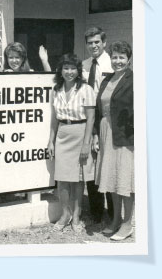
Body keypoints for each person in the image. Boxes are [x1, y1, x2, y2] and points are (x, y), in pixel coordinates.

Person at [48, 53, 96, 232]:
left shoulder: (86, 89)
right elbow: (54, 118)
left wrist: (86, 143)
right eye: (65, 68)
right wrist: (51, 141)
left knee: (77, 180)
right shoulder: (56, 89)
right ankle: (65, 214)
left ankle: (76, 216)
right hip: (62, 134)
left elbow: (91, 119)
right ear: (60, 71)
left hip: (80, 133)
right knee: (62, 179)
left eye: (72, 68)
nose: (69, 72)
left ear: (78, 71)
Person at [93, 41, 134, 241]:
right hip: (105, 131)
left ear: (128, 59)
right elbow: (99, 108)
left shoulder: (133, 80)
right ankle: (116, 220)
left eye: (121, 57)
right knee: (112, 179)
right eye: (115, 57)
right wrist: (95, 134)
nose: (118, 61)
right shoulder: (106, 79)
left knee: (124, 180)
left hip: (124, 136)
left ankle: (128, 224)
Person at [82, 27, 114, 225]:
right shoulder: (84, 65)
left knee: (107, 164)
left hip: (105, 118)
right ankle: (95, 211)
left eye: (97, 42)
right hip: (87, 117)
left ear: (104, 43)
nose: (93, 46)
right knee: (90, 167)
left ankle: (112, 211)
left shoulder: (112, 63)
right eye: (90, 43)